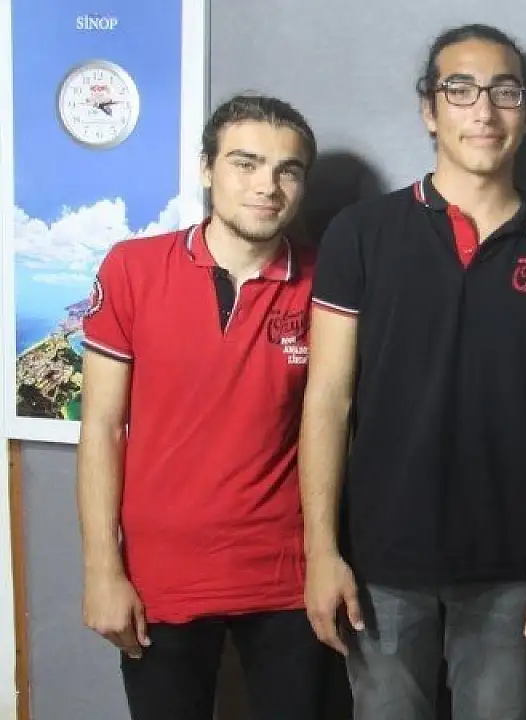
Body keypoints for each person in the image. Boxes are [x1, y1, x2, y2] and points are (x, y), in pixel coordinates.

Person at [299, 23, 526, 720]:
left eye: (504, 92)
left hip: (514, 570)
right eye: (460, 90)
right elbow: (328, 399)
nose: (483, 111)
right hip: (381, 563)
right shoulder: (362, 233)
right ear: (429, 109)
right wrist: (322, 551)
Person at [77, 94, 326, 720]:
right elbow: (101, 427)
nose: (267, 185)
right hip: (161, 574)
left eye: (287, 170)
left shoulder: (328, 280)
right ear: (207, 168)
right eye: (246, 163)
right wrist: (102, 569)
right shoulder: (133, 268)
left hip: (288, 575)